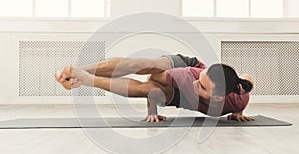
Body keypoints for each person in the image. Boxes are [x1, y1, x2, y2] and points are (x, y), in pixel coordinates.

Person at [55, 54, 254, 123]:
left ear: (219, 97)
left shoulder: (239, 97)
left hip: (182, 95)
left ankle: (87, 80)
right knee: (143, 66)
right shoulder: (187, 76)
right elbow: (152, 77)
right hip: (181, 67)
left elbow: (246, 80)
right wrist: (152, 110)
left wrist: (238, 111)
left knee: (152, 89)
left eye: (202, 86)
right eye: (199, 79)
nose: (196, 83)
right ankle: (77, 72)